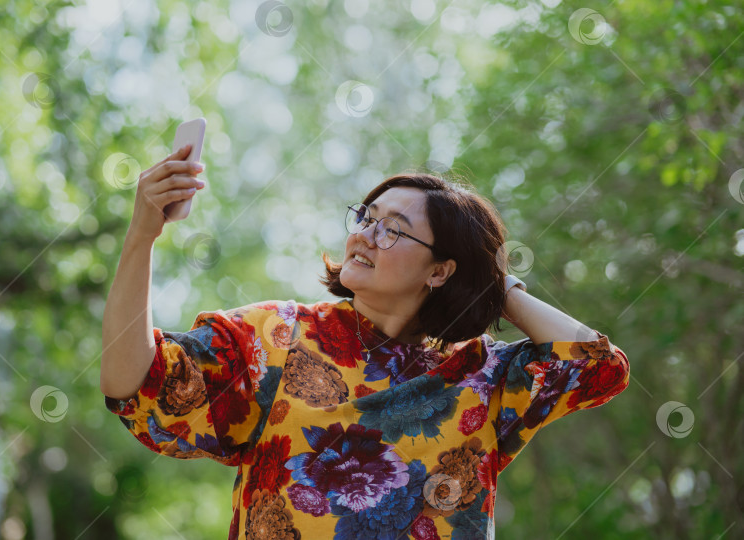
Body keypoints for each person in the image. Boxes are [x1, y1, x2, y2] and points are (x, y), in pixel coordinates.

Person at [100, 144, 631, 540]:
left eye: (393, 230)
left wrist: (496, 283)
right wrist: (142, 234)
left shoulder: (482, 376)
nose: (363, 236)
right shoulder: (276, 338)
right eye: (366, 219)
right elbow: (135, 384)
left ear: (440, 271)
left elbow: (599, 368)